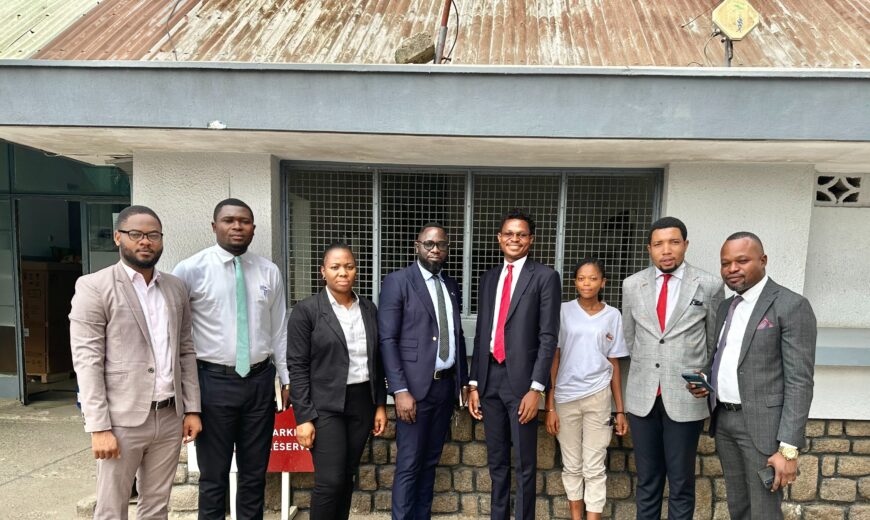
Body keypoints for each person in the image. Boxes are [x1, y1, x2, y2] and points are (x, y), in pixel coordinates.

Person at [70, 205, 201, 519]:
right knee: (112, 509)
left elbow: (185, 350)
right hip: (121, 420)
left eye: (153, 235)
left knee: (156, 507)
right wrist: (98, 427)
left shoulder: (175, 288)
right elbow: (87, 361)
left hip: (170, 417)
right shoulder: (94, 287)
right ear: (118, 237)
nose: (146, 241)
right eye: (136, 234)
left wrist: (192, 407)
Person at [172, 198, 289, 520]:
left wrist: (287, 377)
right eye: (228, 220)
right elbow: (177, 333)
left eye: (244, 221)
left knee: (255, 474)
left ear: (253, 228)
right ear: (214, 226)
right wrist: (185, 393)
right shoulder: (190, 270)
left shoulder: (268, 270)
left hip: (259, 382)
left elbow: (279, 329)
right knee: (213, 477)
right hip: (212, 382)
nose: (237, 226)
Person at [688, 232, 816, 519]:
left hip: (764, 429)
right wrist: (706, 380)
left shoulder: (791, 305)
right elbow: (725, 358)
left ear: (763, 260)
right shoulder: (725, 307)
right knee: (739, 505)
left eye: (741, 260)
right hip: (725, 422)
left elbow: (800, 382)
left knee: (764, 510)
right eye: (725, 263)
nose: (732, 269)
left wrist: (789, 449)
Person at [621, 216, 724, 520]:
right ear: (649, 249)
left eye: (674, 242)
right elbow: (631, 337)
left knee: (680, 483)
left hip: (684, 398)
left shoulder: (709, 284)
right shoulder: (632, 285)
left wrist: (699, 374)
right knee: (648, 481)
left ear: (685, 245)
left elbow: (713, 341)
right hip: (643, 398)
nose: (666, 250)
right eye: (658, 244)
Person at [468, 209, 561, 520]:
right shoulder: (489, 277)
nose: (514, 239)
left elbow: (548, 336)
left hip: (523, 384)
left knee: (523, 463)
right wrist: (474, 383)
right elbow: (483, 331)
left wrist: (537, 388)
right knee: (496, 462)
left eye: (521, 234)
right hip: (490, 379)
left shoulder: (545, 277)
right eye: (509, 233)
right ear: (499, 238)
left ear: (530, 240)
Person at [287, 242, 388, 520]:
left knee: (346, 477)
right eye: (335, 267)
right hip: (325, 405)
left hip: (361, 403)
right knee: (329, 481)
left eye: (349, 266)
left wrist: (380, 404)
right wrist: (303, 417)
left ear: (356, 270)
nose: (343, 272)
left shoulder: (368, 309)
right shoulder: (306, 311)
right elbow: (297, 366)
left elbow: (378, 360)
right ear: (323, 272)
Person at [379, 222, 469, 520]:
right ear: (416, 246)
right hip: (414, 391)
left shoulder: (450, 285)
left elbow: (456, 334)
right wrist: (400, 390)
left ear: (447, 249)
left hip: (444, 388)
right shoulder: (398, 281)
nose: (434, 249)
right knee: (409, 465)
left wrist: (463, 382)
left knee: (430, 462)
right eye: (428, 244)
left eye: (440, 244)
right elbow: (388, 340)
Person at [545, 257, 629, 520]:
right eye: (581, 278)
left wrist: (620, 410)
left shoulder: (613, 315)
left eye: (593, 278)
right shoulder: (562, 311)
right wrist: (550, 405)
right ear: (574, 282)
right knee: (572, 465)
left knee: (594, 466)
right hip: (565, 398)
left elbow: (614, 364)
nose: (587, 283)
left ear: (603, 282)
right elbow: (554, 358)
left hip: (598, 396)